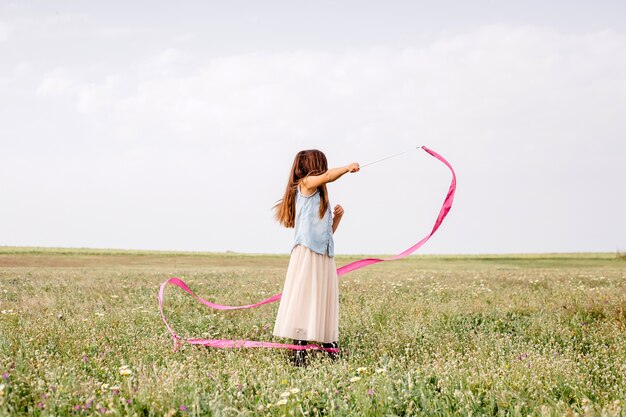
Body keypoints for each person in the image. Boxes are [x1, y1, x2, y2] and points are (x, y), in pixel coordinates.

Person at [272, 149, 359, 366]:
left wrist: (337, 218)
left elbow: (327, 232)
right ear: (314, 166)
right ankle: (298, 351)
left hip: (323, 253)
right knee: (305, 298)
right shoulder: (306, 184)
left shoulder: (320, 196)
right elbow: (329, 176)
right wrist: (347, 168)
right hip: (307, 253)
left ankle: (327, 346)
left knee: (321, 298)